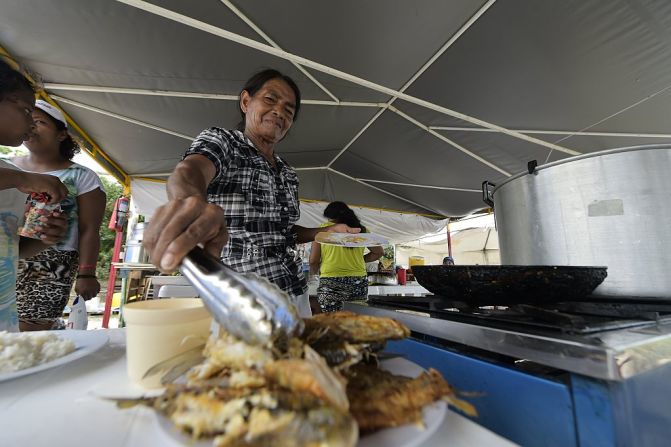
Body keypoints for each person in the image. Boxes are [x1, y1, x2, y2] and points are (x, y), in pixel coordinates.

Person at [142, 69, 359, 317]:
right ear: (246, 102)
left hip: (293, 290)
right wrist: (190, 203)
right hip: (241, 296)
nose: (279, 111)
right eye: (270, 99)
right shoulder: (224, 141)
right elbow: (189, 171)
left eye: (289, 110)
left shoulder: (287, 172)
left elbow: (283, 232)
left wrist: (323, 233)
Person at [12, 100, 106, 331]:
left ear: (61, 135)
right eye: (27, 120)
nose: (31, 127)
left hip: (53, 261)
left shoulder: (82, 176)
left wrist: (86, 273)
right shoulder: (6, 168)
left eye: (40, 122)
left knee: (31, 328)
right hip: (6, 252)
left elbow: (89, 229)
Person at [0, 59, 68, 331]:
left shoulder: (8, 173)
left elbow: (10, 253)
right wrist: (23, 178)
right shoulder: (14, 177)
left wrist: (42, 241)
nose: (32, 123)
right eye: (27, 110)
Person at [309, 202, 383, 312]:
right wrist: (359, 260)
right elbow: (379, 252)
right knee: (356, 320)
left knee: (331, 320)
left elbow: (313, 261)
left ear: (333, 217)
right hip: (358, 281)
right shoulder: (361, 230)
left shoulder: (323, 230)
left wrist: (314, 277)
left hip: (331, 280)